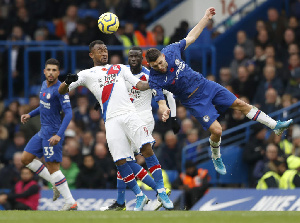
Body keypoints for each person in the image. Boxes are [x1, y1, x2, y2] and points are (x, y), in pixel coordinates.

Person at [145, 7, 293, 176]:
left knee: (240, 104)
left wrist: (206, 17)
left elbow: (191, 36)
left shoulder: (171, 50)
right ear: (150, 66)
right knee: (217, 131)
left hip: (206, 85)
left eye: (160, 63)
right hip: (194, 101)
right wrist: (164, 112)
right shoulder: (155, 79)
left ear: (163, 57)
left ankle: (275, 126)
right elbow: (161, 102)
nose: (159, 67)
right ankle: (216, 156)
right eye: (155, 66)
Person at [58, 40, 174, 211]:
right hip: (111, 120)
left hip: (130, 114)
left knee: (147, 149)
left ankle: (161, 191)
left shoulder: (120, 68)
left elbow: (139, 85)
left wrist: (156, 81)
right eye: (99, 50)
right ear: (92, 55)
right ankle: (139, 195)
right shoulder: (86, 73)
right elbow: (62, 91)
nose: (104, 53)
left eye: (105, 49)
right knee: (121, 161)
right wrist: (67, 82)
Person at [20, 58, 77, 211]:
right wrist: (30, 114)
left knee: (53, 167)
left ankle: (70, 201)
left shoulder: (60, 90)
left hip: (52, 132)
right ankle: (54, 182)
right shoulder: (44, 84)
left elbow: (69, 113)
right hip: (42, 131)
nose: (51, 73)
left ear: (58, 73)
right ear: (44, 71)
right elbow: (43, 105)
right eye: (49, 70)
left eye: (54, 70)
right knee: (25, 158)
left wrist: (58, 134)